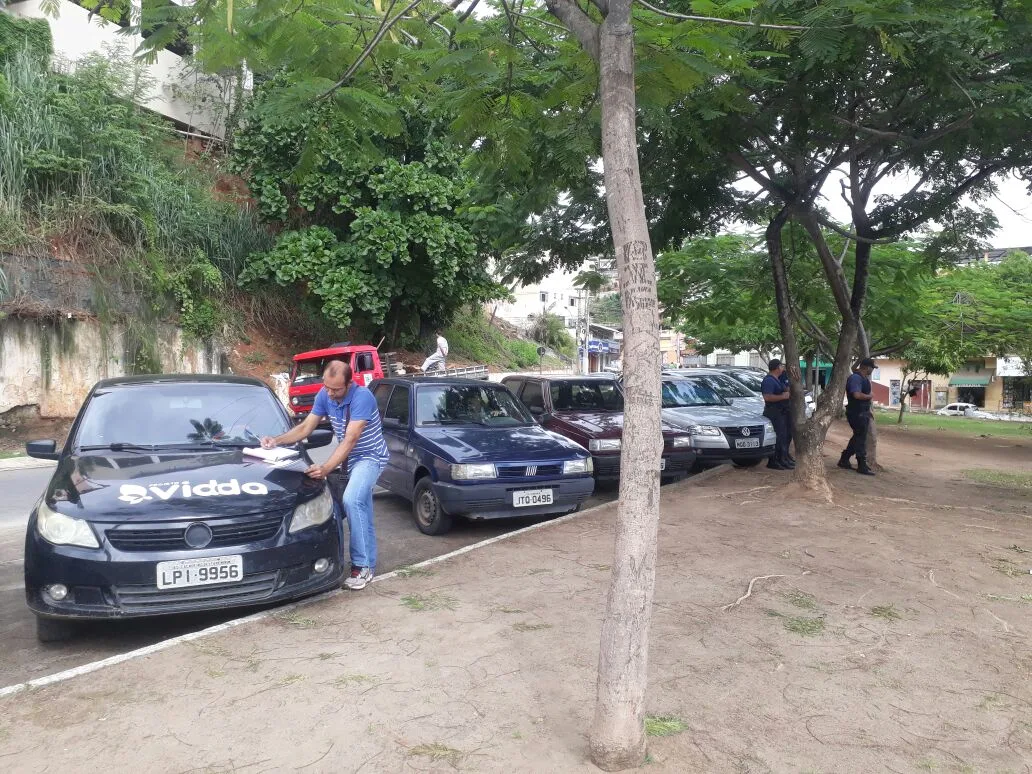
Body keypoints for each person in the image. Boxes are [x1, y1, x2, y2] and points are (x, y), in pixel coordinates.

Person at [260, 360, 390, 589]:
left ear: (350, 383)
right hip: (348, 460)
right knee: (357, 506)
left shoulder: (362, 398)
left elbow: (351, 439)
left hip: (369, 458)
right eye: (327, 387)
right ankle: (363, 561)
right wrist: (276, 440)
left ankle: (362, 567)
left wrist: (326, 468)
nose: (330, 393)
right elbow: (305, 427)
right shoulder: (325, 394)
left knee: (352, 500)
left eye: (336, 389)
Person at [838, 357, 876, 476]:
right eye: (872, 368)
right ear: (867, 367)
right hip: (856, 412)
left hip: (862, 412)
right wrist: (869, 396)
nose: (872, 370)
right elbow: (857, 395)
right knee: (860, 438)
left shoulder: (862, 378)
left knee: (858, 437)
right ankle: (861, 464)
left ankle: (844, 459)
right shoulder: (856, 378)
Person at [761, 359, 793, 470]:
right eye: (781, 366)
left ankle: (782, 459)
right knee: (778, 437)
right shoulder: (769, 380)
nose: (782, 368)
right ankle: (774, 461)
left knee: (783, 436)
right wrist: (783, 396)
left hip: (781, 411)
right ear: (777, 368)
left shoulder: (777, 379)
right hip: (774, 412)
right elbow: (767, 397)